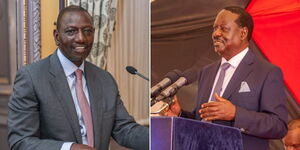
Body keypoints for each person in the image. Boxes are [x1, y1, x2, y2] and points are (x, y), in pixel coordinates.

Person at [7, 5, 148, 150]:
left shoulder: (105, 79)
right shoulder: (31, 78)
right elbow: (20, 142)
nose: (81, 38)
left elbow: (124, 129)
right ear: (57, 37)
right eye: (71, 31)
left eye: (87, 31)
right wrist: (69, 148)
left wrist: (161, 138)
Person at [163, 6, 287, 150]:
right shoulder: (207, 72)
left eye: (223, 28)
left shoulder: (267, 72)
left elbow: (279, 125)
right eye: (215, 28)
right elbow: (202, 120)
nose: (216, 33)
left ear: (243, 33)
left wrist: (235, 113)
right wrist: (180, 114)